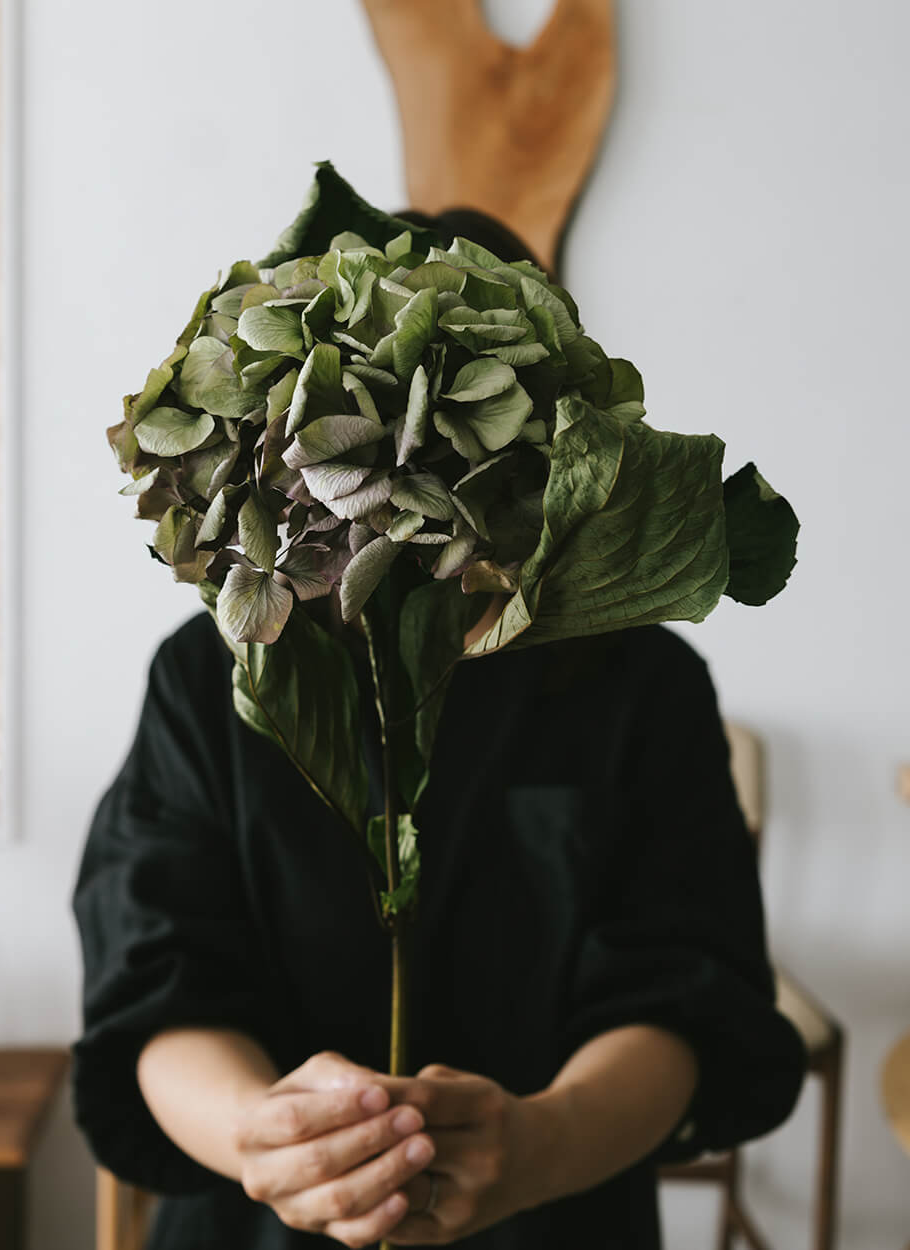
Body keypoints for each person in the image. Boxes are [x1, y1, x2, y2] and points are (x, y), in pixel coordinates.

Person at [72, 210, 805, 1248]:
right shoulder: (209, 677)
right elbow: (151, 978)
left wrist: (545, 1140)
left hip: (560, 1212)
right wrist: (260, 1134)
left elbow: (691, 984)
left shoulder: (642, 684)